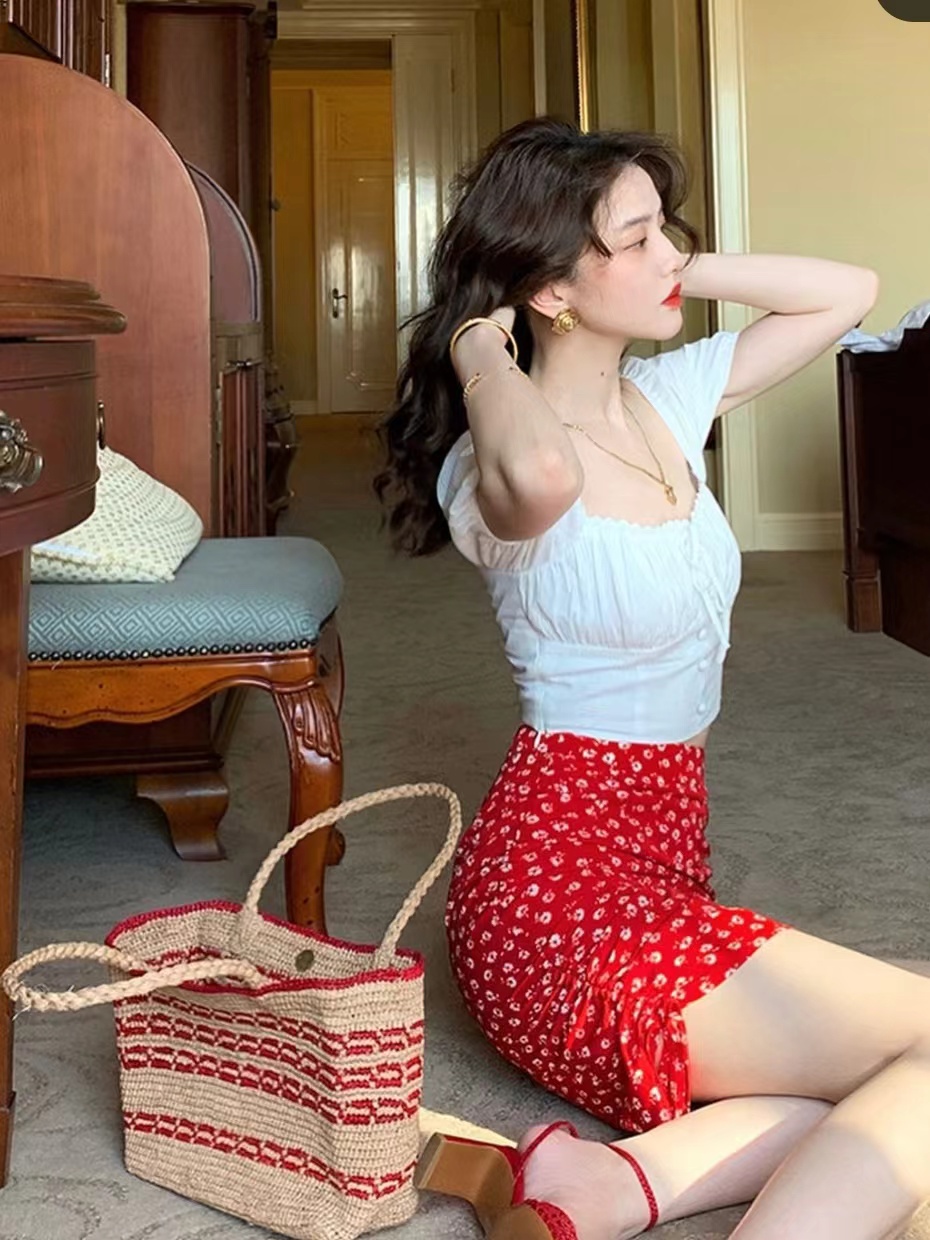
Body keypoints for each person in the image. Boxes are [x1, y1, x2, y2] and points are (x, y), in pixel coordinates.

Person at [374, 118, 928, 1240]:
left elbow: (847, 292)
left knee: (898, 1048)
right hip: (552, 899)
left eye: (665, 226)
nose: (671, 250)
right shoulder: (488, 460)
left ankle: (609, 1185)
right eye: (635, 238)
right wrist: (478, 342)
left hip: (664, 865)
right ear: (551, 288)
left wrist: (666, 265)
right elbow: (543, 471)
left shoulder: (666, 397)